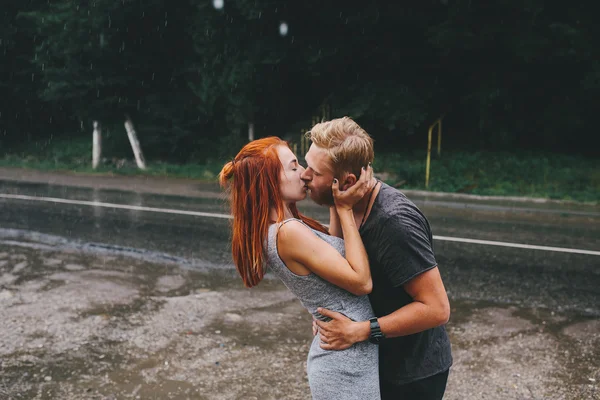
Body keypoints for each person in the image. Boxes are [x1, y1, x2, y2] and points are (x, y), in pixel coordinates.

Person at [301, 117, 452, 400]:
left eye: (315, 171)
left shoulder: (394, 223)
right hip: (379, 360)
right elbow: (341, 264)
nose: (304, 175)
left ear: (346, 180)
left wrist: (357, 331)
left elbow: (437, 308)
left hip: (412, 374)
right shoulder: (346, 201)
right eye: (305, 163)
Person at [219, 136, 381, 399]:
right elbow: (361, 281)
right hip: (343, 367)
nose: (304, 175)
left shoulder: (283, 226)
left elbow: (337, 254)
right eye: (294, 167)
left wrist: (333, 199)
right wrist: (345, 209)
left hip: (347, 356)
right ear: (270, 181)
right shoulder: (288, 232)